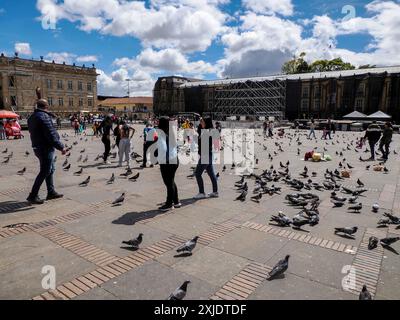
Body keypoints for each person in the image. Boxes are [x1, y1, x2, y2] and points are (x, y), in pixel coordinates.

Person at [27, 95, 66, 204]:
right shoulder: (43, 117)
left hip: (37, 146)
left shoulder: (32, 117)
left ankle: (51, 192)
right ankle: (33, 195)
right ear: (46, 106)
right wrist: (61, 147)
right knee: (45, 171)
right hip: (45, 147)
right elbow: (51, 134)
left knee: (50, 169)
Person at [157, 117, 180, 212]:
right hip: (174, 159)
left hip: (167, 162)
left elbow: (162, 149)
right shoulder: (171, 132)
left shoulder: (162, 134)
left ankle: (169, 203)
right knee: (171, 181)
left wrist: (159, 159)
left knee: (168, 183)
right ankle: (176, 201)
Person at [194, 117, 219, 199]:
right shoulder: (209, 130)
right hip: (209, 155)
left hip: (205, 155)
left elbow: (202, 145)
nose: (201, 123)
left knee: (197, 173)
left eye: (203, 122)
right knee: (211, 174)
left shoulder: (207, 132)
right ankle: (215, 192)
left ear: (206, 123)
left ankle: (202, 192)